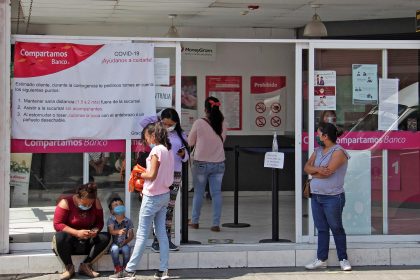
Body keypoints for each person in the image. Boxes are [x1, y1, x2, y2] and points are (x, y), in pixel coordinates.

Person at [110, 122, 174, 280]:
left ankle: (129, 270)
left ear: (153, 135)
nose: (146, 141)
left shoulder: (156, 150)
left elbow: (151, 175)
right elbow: (158, 174)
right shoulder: (168, 151)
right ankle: (163, 270)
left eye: (146, 137)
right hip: (164, 195)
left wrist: (138, 174)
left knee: (142, 234)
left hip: (152, 197)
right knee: (162, 233)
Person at [303, 122, 352, 271]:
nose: (317, 137)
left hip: (333, 197)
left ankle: (343, 259)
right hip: (316, 196)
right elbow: (306, 167)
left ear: (325, 136)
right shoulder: (317, 151)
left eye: (319, 134)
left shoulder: (339, 152)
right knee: (322, 229)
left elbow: (328, 173)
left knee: (336, 228)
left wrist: (314, 171)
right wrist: (317, 169)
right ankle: (321, 259)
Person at [52, 183, 111, 280]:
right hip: (70, 241)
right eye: (85, 203)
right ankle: (69, 268)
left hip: (87, 239)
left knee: (105, 237)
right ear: (78, 197)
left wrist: (95, 231)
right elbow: (57, 224)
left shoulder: (96, 202)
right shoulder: (66, 202)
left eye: (90, 204)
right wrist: (77, 233)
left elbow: (100, 222)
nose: (88, 205)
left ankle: (86, 265)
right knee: (60, 237)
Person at [151, 108, 189, 252]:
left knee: (169, 208)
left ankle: (165, 239)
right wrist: (157, 117)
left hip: (175, 174)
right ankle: (156, 240)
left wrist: (183, 153)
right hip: (159, 174)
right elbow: (143, 121)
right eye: (165, 123)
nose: (168, 126)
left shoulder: (181, 135)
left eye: (171, 124)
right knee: (157, 207)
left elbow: (186, 157)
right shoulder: (157, 133)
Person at [188, 96, 227, 232]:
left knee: (198, 193)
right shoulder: (223, 123)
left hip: (201, 164)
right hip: (219, 163)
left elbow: (190, 142)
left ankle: (195, 221)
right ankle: (215, 224)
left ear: (205, 109)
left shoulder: (199, 123)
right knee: (216, 193)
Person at [107, 197, 134, 273]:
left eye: (120, 204)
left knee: (126, 249)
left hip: (124, 243)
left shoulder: (128, 221)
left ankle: (126, 266)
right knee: (114, 249)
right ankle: (117, 266)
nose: (118, 206)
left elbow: (131, 235)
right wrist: (118, 231)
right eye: (115, 205)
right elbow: (111, 231)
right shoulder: (111, 220)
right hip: (114, 244)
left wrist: (125, 242)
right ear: (112, 211)